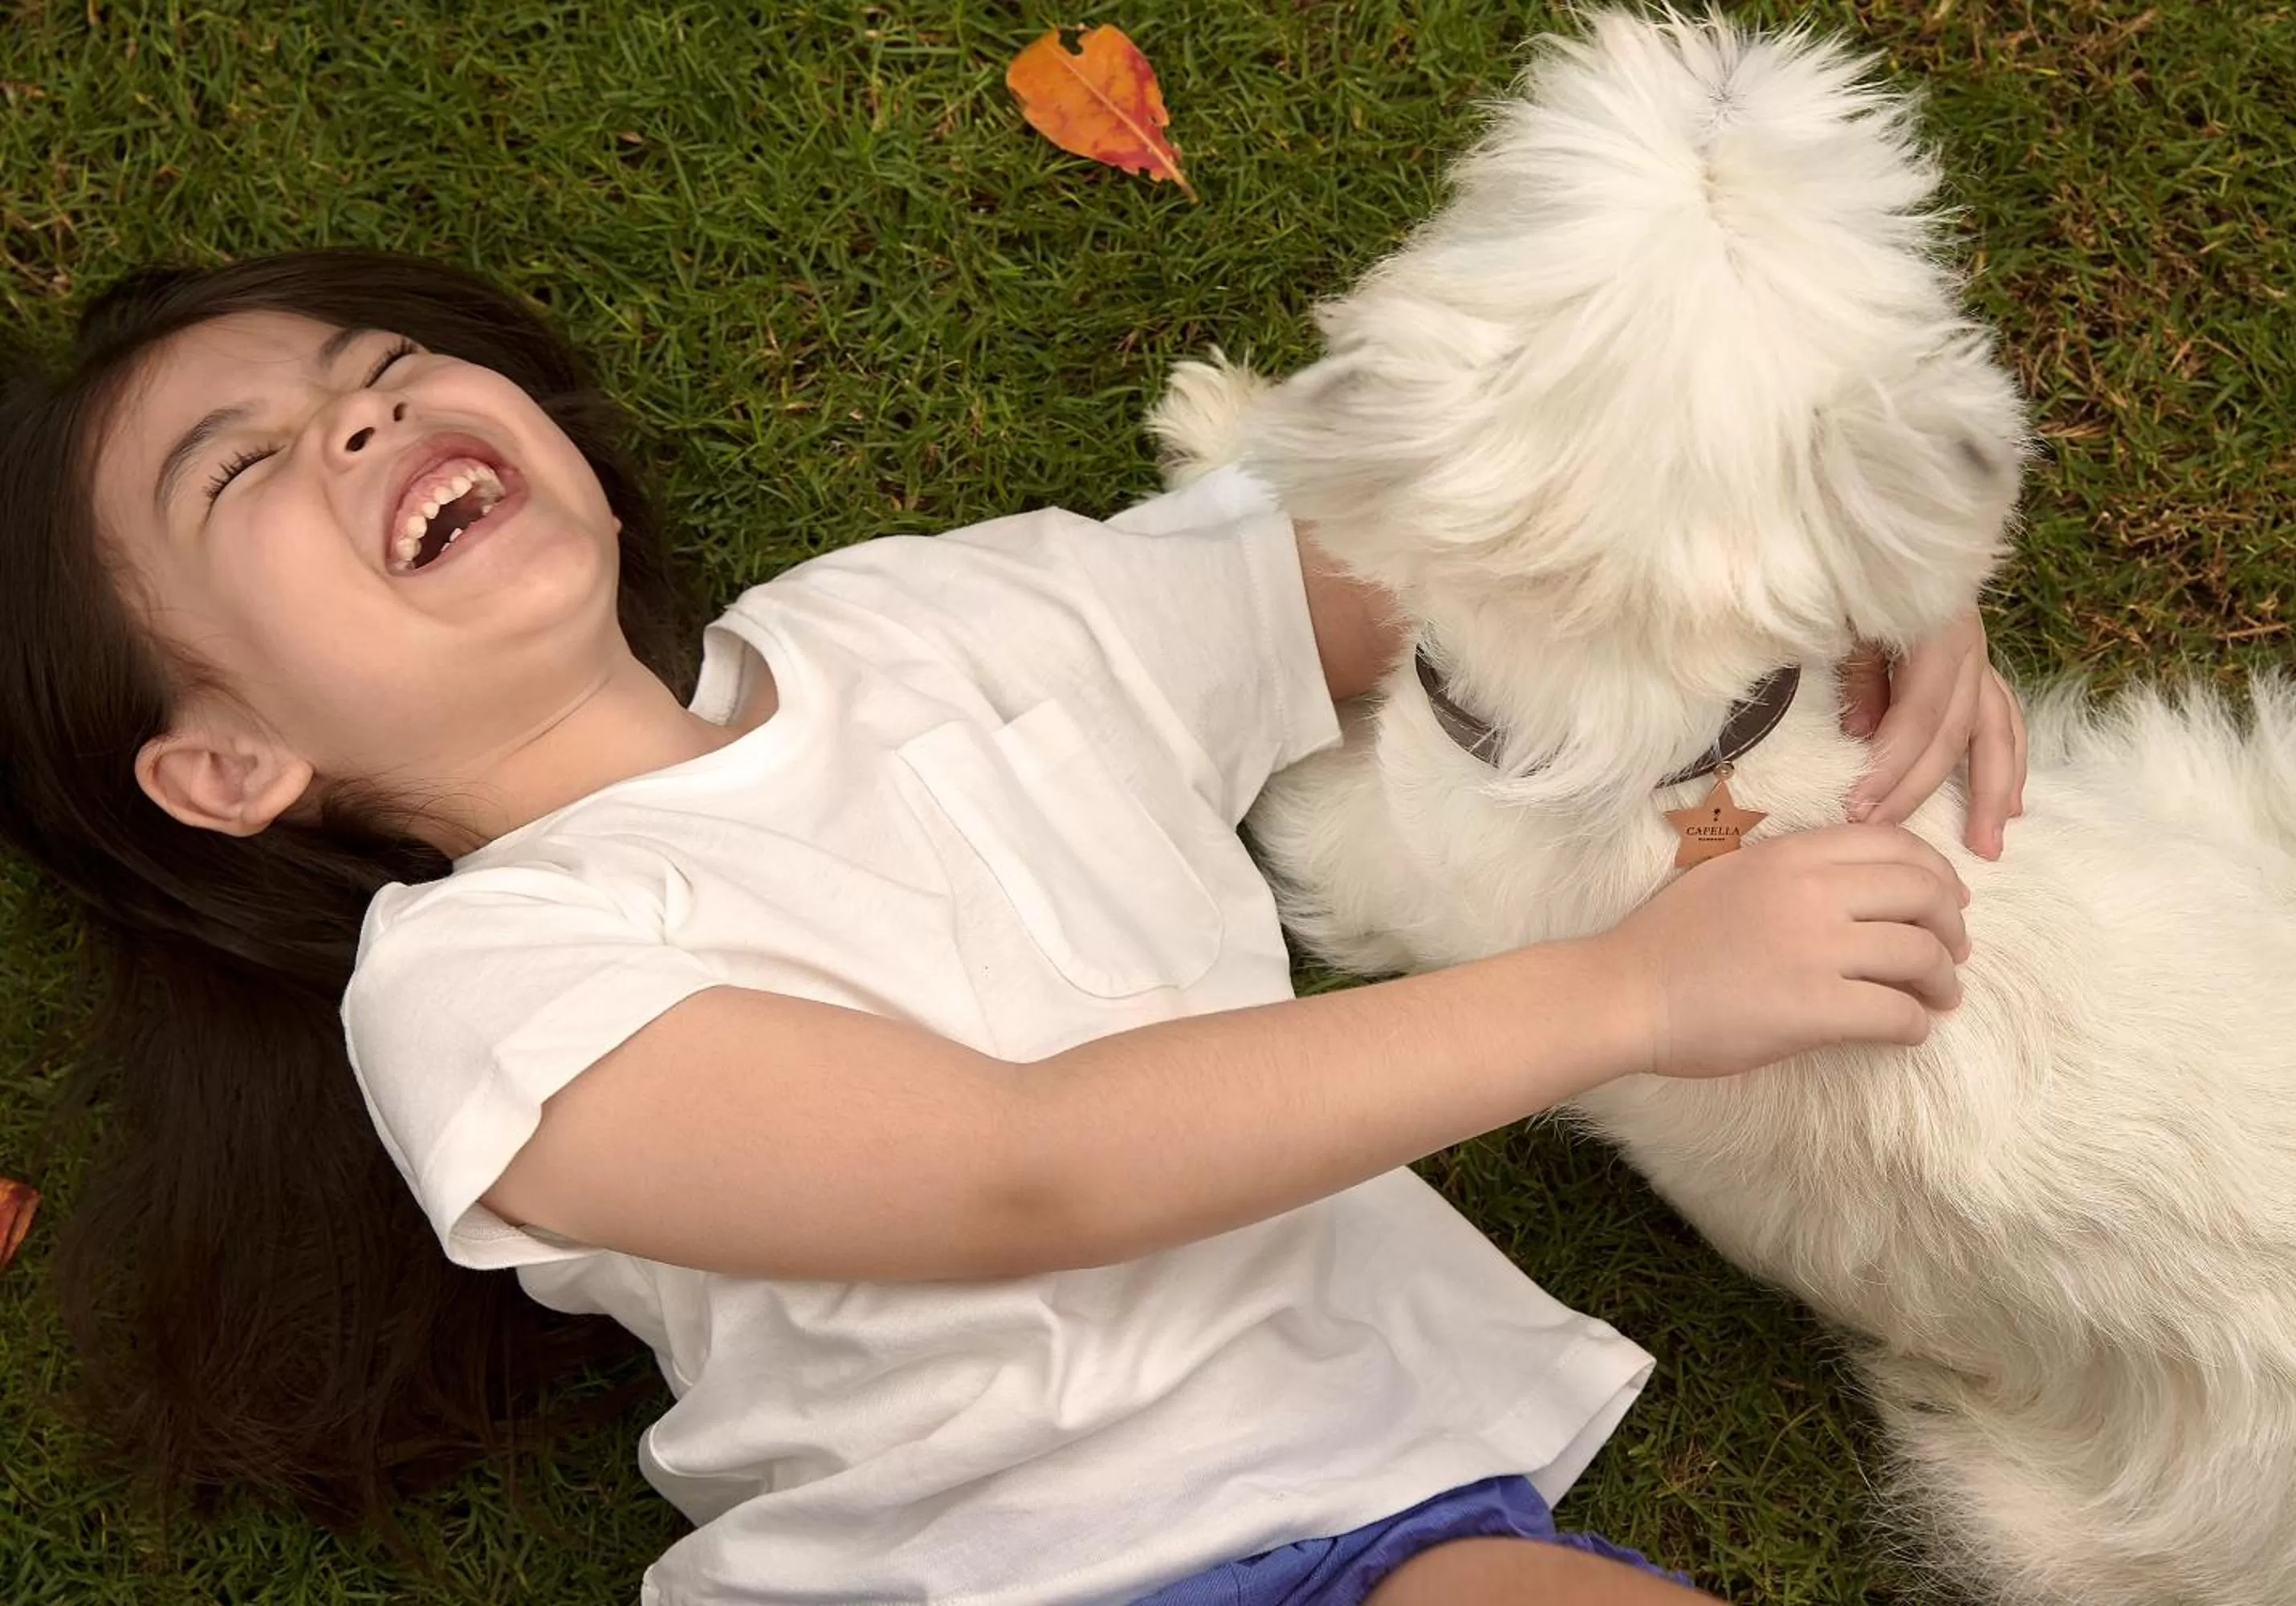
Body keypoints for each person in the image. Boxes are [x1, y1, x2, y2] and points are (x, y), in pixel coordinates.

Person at [0, 249, 2021, 1606]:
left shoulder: (923, 627)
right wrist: (1627, 992)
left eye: (375, 371)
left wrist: (1826, 527)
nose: (356, 418)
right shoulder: (479, 986)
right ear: (232, 766)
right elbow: (1012, 1168)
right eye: (242, 467)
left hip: (1386, 1524)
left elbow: (1445, 532)